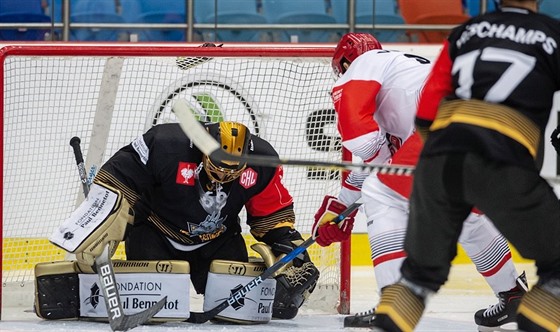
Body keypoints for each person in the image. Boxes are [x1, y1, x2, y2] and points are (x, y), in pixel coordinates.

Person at [364, 1, 560, 331]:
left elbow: (426, 113)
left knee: (417, 280)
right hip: (502, 160)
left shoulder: (465, 33)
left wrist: (446, 158)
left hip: (439, 159)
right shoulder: (552, 34)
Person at [311, 32, 527, 331]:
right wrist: (341, 205)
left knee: (380, 194)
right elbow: (381, 162)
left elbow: (362, 142)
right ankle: (513, 295)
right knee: (467, 221)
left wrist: (344, 204)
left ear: (346, 61)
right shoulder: (403, 76)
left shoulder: (362, 65)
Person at [53, 121, 320, 321]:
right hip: (157, 234)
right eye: (218, 166)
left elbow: (272, 216)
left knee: (241, 314)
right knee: (156, 314)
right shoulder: (166, 144)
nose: (224, 175)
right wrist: (99, 221)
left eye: (233, 170)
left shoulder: (263, 163)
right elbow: (117, 182)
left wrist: (290, 249)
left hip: (218, 240)